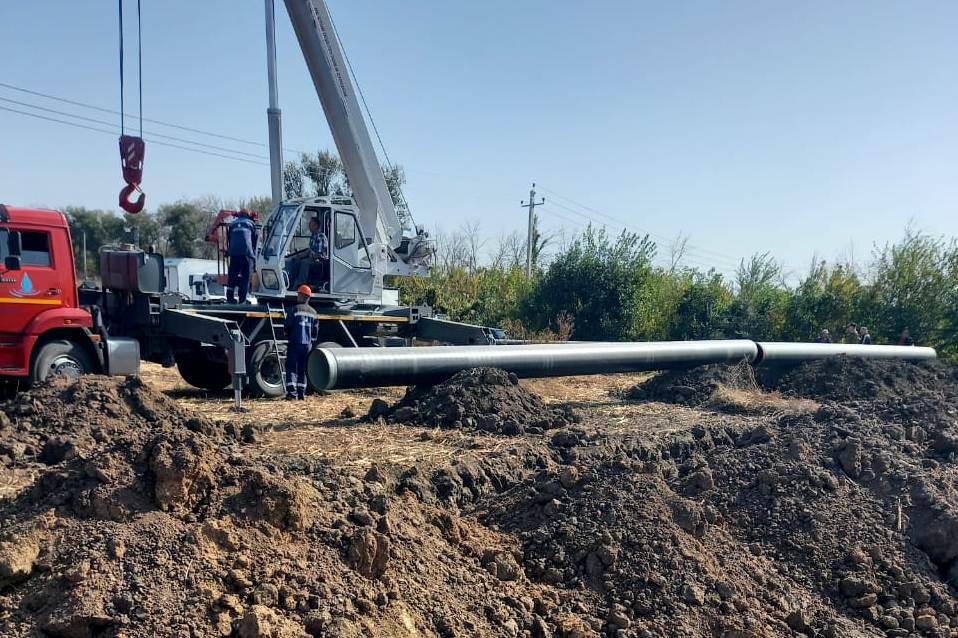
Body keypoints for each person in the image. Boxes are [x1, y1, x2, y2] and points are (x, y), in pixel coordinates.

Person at [284, 284, 318, 400]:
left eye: (298, 294)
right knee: (303, 369)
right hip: (307, 345)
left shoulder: (294, 309)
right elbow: (315, 331)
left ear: (302, 296)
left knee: (292, 367)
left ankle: (292, 394)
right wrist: (311, 341)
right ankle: (301, 394)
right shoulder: (314, 312)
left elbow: (288, 325)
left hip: (295, 342)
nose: (297, 296)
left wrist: (287, 335)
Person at [226, 209, 257, 304]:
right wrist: (254, 257)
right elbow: (254, 241)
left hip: (234, 253)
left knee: (232, 276)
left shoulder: (232, 224)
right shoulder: (251, 224)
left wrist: (230, 251)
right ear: (248, 215)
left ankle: (230, 298)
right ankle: (242, 299)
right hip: (247, 253)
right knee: (246, 277)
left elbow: (229, 239)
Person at [296, 217, 329, 292]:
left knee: (305, 262)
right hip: (313, 259)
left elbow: (319, 253)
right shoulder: (313, 236)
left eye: (310, 224)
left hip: (320, 262)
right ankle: (293, 282)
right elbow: (310, 250)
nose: (309, 226)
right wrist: (299, 256)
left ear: (316, 226)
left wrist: (309, 256)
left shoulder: (321, 236)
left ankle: (301, 285)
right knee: (297, 261)